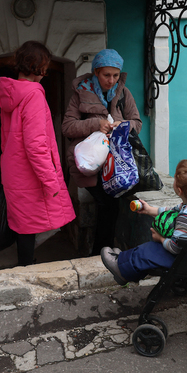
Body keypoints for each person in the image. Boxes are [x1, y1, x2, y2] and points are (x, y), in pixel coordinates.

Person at [0, 41, 76, 266]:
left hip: (14, 169)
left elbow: (8, 139)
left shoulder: (9, 93)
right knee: (33, 223)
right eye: (46, 66)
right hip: (30, 172)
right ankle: (26, 269)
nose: (47, 71)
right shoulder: (33, 96)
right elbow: (35, 145)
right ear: (39, 67)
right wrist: (51, 182)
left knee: (24, 224)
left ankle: (24, 265)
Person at [62, 49, 142, 255]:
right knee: (107, 204)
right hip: (90, 163)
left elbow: (137, 123)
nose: (111, 80)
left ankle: (100, 251)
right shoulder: (81, 92)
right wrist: (95, 124)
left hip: (116, 164)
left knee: (110, 206)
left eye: (115, 75)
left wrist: (122, 125)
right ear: (96, 71)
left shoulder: (124, 92)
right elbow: (67, 127)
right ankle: (101, 252)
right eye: (107, 75)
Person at [100, 159, 187, 284]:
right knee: (152, 249)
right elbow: (172, 210)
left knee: (149, 250)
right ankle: (124, 259)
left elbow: (174, 248)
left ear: (179, 190)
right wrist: (149, 210)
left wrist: (160, 238)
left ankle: (122, 269)